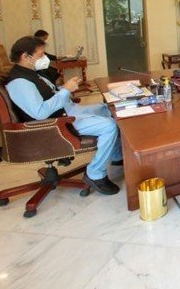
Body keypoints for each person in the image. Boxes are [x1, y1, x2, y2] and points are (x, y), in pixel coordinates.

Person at [6, 36, 122, 194]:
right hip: (53, 125)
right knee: (109, 126)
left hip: (65, 111)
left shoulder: (32, 73)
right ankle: (95, 174)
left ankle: (115, 155)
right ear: (26, 56)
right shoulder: (20, 82)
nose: (45, 58)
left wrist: (65, 89)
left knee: (108, 109)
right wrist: (66, 90)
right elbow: (40, 113)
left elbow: (50, 95)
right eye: (41, 55)